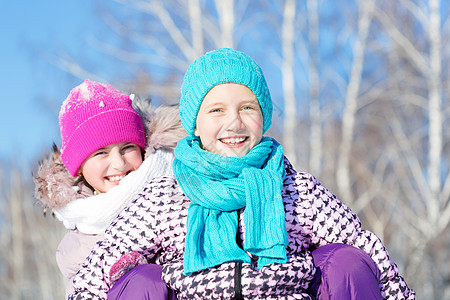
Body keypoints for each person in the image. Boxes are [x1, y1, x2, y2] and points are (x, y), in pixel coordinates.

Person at [69, 49, 415, 299]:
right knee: (138, 281)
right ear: (195, 123)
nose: (234, 123)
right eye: (216, 110)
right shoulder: (165, 196)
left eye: (247, 108)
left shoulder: (295, 189)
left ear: (263, 116)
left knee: (349, 262)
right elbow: (96, 273)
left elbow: (367, 250)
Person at [34, 79, 184, 299]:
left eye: (127, 148)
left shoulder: (179, 188)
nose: (119, 164)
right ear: (80, 168)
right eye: (100, 153)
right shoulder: (79, 246)